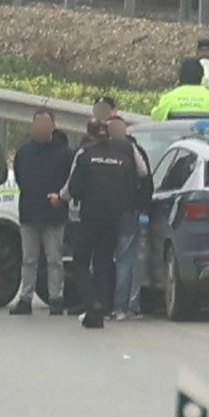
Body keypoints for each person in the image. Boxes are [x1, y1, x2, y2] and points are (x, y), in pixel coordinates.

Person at [61, 119, 143, 329]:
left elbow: (74, 187)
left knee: (79, 261)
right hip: (115, 217)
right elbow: (139, 177)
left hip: (90, 216)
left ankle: (93, 303)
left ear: (89, 135)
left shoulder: (86, 154)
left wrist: (61, 198)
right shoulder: (123, 157)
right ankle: (102, 308)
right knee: (103, 262)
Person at [8, 109, 74, 315]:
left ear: (53, 126)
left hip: (54, 216)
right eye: (38, 124)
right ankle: (25, 298)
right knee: (29, 260)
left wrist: (60, 198)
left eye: (46, 124)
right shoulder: (24, 152)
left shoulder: (65, 153)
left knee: (55, 260)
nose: (41, 128)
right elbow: (19, 177)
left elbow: (71, 180)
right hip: (29, 213)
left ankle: (56, 298)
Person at [106, 115, 154, 320]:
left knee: (108, 259)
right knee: (128, 260)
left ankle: (114, 305)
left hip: (106, 213)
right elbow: (145, 176)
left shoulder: (97, 149)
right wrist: (142, 206)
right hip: (127, 211)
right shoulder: (132, 150)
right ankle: (127, 306)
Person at [153, 57, 209, 121]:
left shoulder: (169, 97)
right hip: (204, 138)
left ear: (181, 76)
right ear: (201, 76)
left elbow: (157, 118)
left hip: (177, 138)